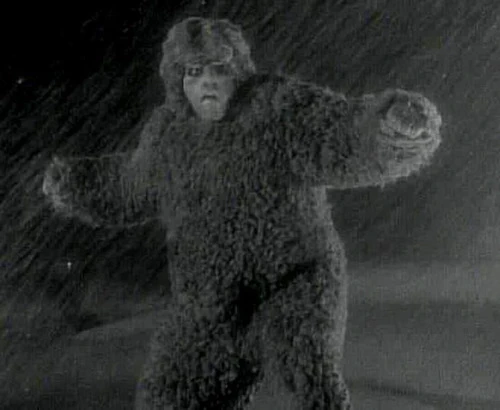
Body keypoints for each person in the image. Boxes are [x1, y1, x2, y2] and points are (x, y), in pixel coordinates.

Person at [43, 17, 442, 410]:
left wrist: (389, 130)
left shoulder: (275, 108)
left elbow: (337, 133)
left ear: (237, 72)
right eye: (194, 72)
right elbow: (131, 186)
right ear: (179, 80)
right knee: (169, 397)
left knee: (301, 378)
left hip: (293, 285)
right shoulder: (169, 136)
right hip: (210, 303)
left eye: (218, 69)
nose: (207, 82)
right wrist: (76, 183)